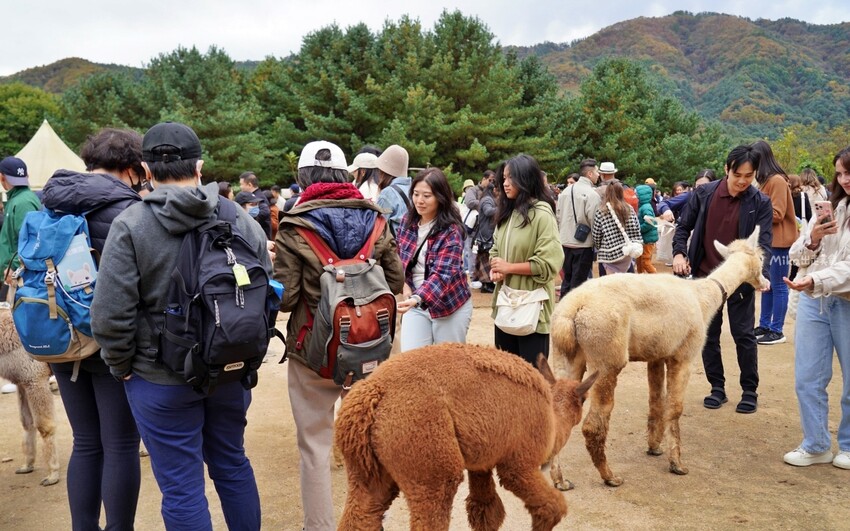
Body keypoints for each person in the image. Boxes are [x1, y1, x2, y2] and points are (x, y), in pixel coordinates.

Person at [91, 122, 268, 531]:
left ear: (145, 168)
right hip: (228, 367)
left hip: (158, 375)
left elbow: (109, 315)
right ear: (200, 166)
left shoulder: (132, 224)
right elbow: (266, 290)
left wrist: (121, 366)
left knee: (182, 487)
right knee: (232, 464)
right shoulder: (240, 218)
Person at [274, 140, 404, 531]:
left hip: (314, 349)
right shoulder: (377, 218)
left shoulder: (294, 225)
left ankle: (320, 526)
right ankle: (367, 521)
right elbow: (395, 280)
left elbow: (287, 298)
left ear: (302, 177)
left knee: (315, 446)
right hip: (371, 345)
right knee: (369, 441)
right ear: (346, 175)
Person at [40, 128, 144, 531]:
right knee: (119, 444)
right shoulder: (127, 211)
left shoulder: (53, 202)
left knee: (85, 442)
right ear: (131, 168)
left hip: (60, 335)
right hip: (109, 342)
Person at [672, 145, 772, 414]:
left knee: (744, 335)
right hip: (706, 279)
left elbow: (764, 245)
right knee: (709, 335)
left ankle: (749, 390)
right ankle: (717, 387)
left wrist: (763, 273)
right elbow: (683, 227)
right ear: (727, 168)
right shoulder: (704, 193)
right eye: (738, 174)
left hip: (739, 281)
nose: (743, 181)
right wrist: (679, 253)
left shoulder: (760, 202)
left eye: (749, 176)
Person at [782, 146, 850, 469]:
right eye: (840, 173)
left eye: (849, 172)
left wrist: (814, 280)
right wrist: (813, 239)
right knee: (807, 376)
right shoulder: (833, 207)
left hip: (844, 301)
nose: (845, 179)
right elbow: (798, 256)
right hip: (815, 300)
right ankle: (816, 443)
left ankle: (849, 445)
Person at [489, 154, 563, 365]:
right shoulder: (506, 213)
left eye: (511, 177)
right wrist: (496, 267)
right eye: (503, 178)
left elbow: (549, 264)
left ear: (526, 178)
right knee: (506, 376)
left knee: (533, 380)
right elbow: (495, 248)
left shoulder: (542, 214)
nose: (505, 183)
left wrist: (509, 267)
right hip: (506, 304)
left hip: (533, 310)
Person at [396, 168, 472, 350]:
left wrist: (417, 297)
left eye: (427, 196)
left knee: (447, 366)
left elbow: (442, 275)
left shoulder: (451, 231)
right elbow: (399, 259)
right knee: (412, 362)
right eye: (416, 194)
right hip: (415, 303)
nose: (419, 201)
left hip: (449, 306)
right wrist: (404, 285)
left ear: (440, 197)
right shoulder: (407, 222)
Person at [751, 140, 797, 346]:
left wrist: (752, 212)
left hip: (779, 242)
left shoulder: (777, 181)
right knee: (767, 285)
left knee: (778, 285)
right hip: (769, 242)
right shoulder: (765, 181)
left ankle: (777, 329)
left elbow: (777, 213)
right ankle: (764, 325)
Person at [557, 158, 601, 296]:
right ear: (589, 174)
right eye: (597, 172)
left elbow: (558, 215)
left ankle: (563, 310)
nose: (598, 175)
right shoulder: (592, 194)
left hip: (564, 241)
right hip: (583, 244)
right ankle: (573, 313)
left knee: (567, 279)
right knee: (579, 283)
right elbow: (594, 220)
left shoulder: (565, 192)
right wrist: (597, 242)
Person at [0, 157, 41, 285]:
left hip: (18, 275)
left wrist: (13, 267)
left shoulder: (23, 202)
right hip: (14, 273)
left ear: (2, 177)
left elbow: (31, 240)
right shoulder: (18, 198)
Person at [592, 181, 643, 275]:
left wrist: (600, 247)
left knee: (609, 286)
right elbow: (636, 228)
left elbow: (596, 234)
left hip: (609, 254)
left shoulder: (601, 211)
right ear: (621, 192)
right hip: (627, 252)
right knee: (627, 284)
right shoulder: (629, 208)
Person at [375, 144, 411, 236]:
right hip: (410, 247)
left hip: (394, 248)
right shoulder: (414, 188)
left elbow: (377, 229)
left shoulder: (388, 193)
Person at [474, 180, 499, 293]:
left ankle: (486, 284)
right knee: (486, 260)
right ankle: (487, 284)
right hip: (486, 235)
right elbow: (488, 211)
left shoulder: (485, 199)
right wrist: (503, 208)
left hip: (485, 234)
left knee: (484, 259)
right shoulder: (487, 200)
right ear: (493, 190)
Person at [239, 171, 272, 237]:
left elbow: (263, 214)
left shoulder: (259, 198)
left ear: (249, 185)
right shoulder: (254, 196)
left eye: (241, 184)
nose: (240, 187)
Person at [635, 183, 658, 273]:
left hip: (648, 239)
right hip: (644, 238)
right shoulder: (643, 207)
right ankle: (640, 279)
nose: (635, 196)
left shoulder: (646, 207)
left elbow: (650, 223)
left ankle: (656, 279)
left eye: (636, 195)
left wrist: (638, 229)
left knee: (645, 261)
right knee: (639, 260)